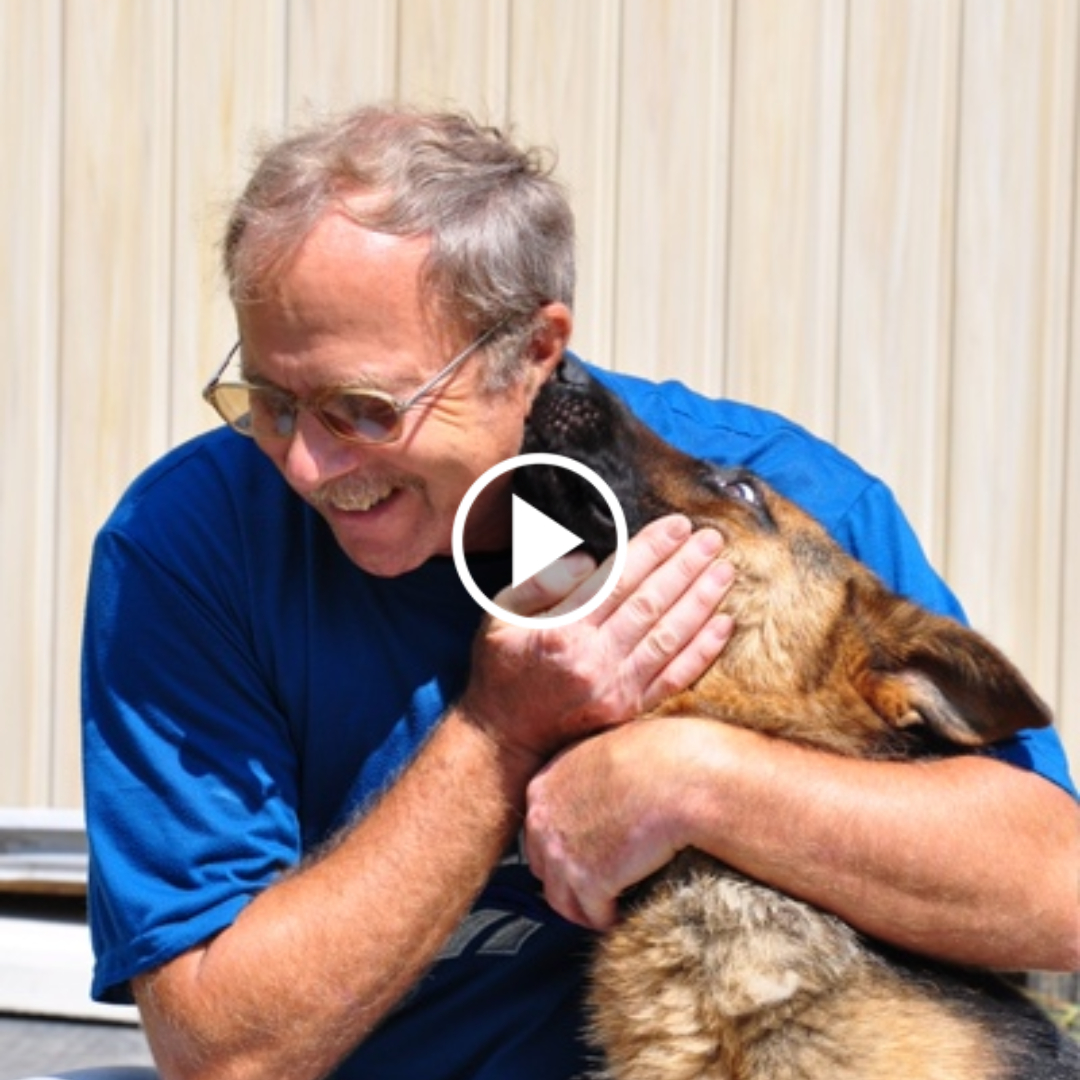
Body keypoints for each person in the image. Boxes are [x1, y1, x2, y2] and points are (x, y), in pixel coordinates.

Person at [82, 104, 1078, 1080]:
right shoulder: (193, 547)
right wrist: (497, 737)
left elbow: (1058, 893)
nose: (304, 464)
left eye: (363, 409)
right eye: (269, 400)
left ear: (532, 349)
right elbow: (224, 1054)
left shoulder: (766, 508)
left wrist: (691, 778)